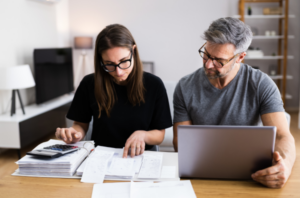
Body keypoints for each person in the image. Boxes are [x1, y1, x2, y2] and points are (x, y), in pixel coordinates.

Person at [172, 17, 295, 189]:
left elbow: (283, 136)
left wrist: (285, 166)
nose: (208, 64)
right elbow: (180, 143)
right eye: (206, 54)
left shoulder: (261, 85)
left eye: (218, 61)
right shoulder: (185, 87)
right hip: (200, 177)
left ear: (240, 57)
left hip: (251, 178)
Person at [55, 24, 172, 158]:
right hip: (101, 157)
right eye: (109, 64)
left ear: (133, 51)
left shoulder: (154, 84)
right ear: (100, 61)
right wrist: (74, 133)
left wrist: (143, 134)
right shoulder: (89, 83)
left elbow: (159, 134)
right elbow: (80, 125)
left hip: (141, 157)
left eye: (123, 61)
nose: (118, 71)